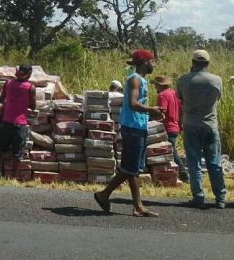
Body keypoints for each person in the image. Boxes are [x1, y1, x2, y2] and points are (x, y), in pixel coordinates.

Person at [94, 49, 162, 217]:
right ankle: (104, 194)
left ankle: (137, 206)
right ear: (144, 62)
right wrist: (151, 110)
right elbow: (132, 103)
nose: (153, 65)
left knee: (133, 168)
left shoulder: (141, 80)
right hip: (133, 127)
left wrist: (151, 112)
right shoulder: (135, 80)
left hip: (137, 126)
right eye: (152, 61)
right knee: (130, 167)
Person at [176, 49, 226, 209]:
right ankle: (220, 197)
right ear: (208, 63)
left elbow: (180, 98)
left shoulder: (183, 80)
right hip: (210, 124)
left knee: (194, 162)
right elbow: (218, 97)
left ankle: (198, 196)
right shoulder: (216, 80)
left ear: (192, 62)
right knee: (214, 162)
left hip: (191, 124)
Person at [0, 64, 35, 177]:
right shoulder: (30, 87)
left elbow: (1, 99)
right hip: (20, 124)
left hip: (6, 121)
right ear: (29, 74)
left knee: (1, 148)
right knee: (18, 153)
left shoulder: (8, 83)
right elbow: (33, 106)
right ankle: (13, 177)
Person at [152, 75, 190, 182]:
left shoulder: (162, 95)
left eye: (156, 85)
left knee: (171, 151)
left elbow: (161, 112)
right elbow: (182, 111)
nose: (155, 87)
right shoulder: (176, 94)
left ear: (160, 85)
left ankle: (184, 174)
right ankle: (173, 174)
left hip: (167, 127)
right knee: (171, 151)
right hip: (176, 127)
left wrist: (151, 118)